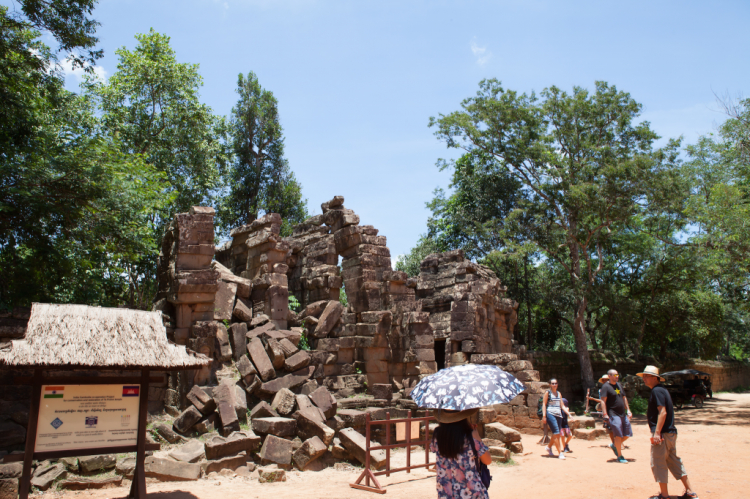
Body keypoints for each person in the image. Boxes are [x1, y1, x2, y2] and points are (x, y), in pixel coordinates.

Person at [638, 365, 699, 499]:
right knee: (673, 461)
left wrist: (657, 433)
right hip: (670, 433)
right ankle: (690, 492)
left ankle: (664, 496)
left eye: (646, 376)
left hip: (663, 434)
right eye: (644, 376)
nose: (644, 379)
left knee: (658, 462)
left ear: (655, 378)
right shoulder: (662, 390)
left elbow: (663, 412)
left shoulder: (657, 391)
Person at [430, 408, 492, 499]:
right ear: (463, 416)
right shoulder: (471, 435)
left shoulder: (437, 435)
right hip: (471, 492)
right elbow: (488, 460)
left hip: (446, 493)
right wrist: (477, 437)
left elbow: (435, 451)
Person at [600, 369, 633, 463]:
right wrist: (605, 414)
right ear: (609, 376)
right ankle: (620, 456)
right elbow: (603, 401)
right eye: (615, 375)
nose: (617, 376)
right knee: (618, 435)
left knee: (627, 434)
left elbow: (624, 397)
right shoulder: (606, 387)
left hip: (622, 414)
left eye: (617, 375)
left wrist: (628, 410)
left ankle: (614, 445)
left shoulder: (619, 385)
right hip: (613, 414)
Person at [541, 378, 570, 459]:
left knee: (555, 434)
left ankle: (549, 447)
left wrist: (569, 414)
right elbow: (544, 404)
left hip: (559, 415)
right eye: (553, 383)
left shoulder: (559, 393)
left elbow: (562, 405)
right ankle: (560, 453)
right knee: (557, 433)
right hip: (550, 414)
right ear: (550, 384)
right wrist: (544, 416)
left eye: (556, 383)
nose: (554, 385)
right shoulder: (548, 393)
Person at [586, 374, 615, 445]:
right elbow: (602, 401)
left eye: (606, 380)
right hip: (607, 411)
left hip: (613, 410)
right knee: (609, 429)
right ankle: (614, 443)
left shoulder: (614, 388)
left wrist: (593, 399)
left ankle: (618, 443)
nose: (605, 381)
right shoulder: (602, 390)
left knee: (616, 427)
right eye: (604, 380)